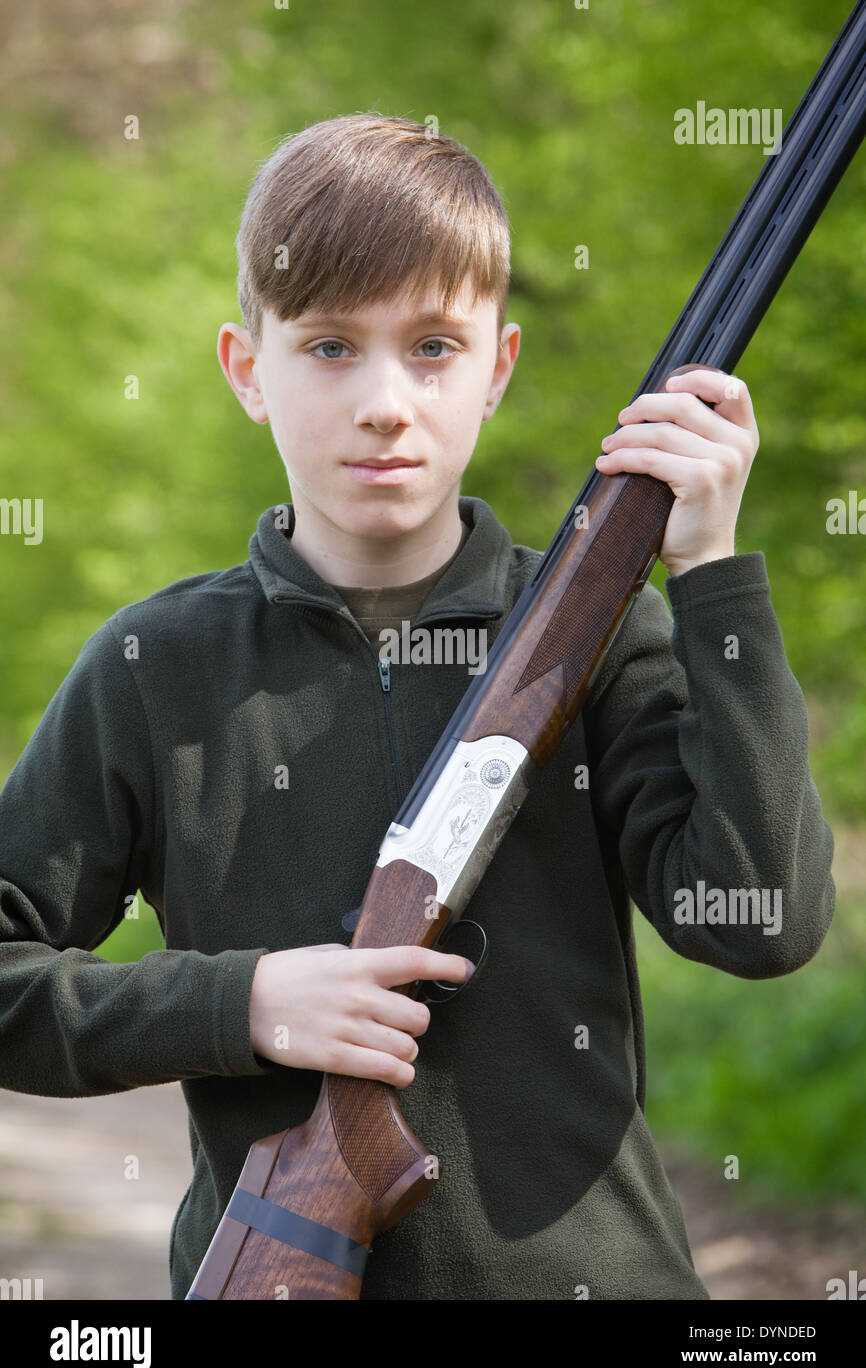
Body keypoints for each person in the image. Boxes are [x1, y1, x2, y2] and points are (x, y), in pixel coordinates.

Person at [0, 113, 834, 1301]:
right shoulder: (155, 665)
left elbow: (763, 921)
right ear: (247, 369)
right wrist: (243, 1001)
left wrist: (710, 579)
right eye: (332, 347)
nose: (386, 401)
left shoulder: (602, 636)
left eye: (433, 346)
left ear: (497, 368)